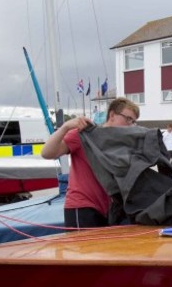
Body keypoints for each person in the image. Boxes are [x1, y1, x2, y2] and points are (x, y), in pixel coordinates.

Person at [41, 97, 140, 228]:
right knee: (83, 248)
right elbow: (47, 153)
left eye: (133, 122)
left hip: (107, 210)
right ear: (112, 115)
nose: (130, 125)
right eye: (128, 119)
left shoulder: (122, 145)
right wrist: (65, 127)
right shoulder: (84, 135)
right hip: (82, 206)